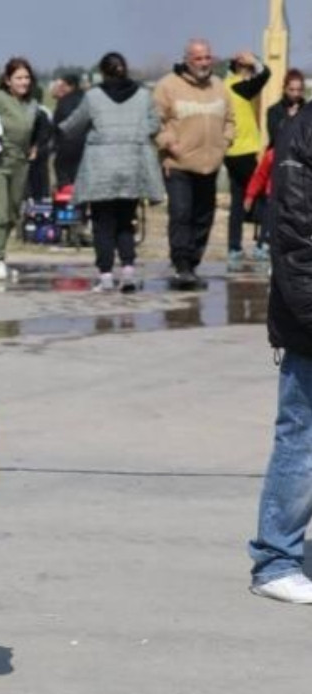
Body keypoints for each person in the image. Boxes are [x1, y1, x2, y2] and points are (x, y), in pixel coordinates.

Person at [248, 100, 312, 604]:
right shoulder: (304, 132)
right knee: (302, 441)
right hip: (309, 320)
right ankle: (275, 560)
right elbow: (293, 240)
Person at [59, 52, 165, 293]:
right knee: (126, 222)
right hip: (132, 166)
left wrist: (60, 130)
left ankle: (105, 275)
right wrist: (135, 134)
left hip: (101, 170)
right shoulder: (143, 95)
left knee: (102, 224)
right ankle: (128, 272)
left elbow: (75, 124)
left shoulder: (94, 96)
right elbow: (154, 124)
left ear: (103, 72)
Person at [153, 39, 234, 290]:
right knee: (181, 214)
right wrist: (169, 143)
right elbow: (154, 122)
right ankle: (181, 265)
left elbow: (230, 120)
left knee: (203, 218)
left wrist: (225, 142)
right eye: (198, 58)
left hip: (209, 165)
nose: (204, 63)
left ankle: (193, 263)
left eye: (208, 57)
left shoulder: (219, 87)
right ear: (187, 60)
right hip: (178, 164)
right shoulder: (168, 86)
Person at [0, 57, 39, 281]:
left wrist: (36, 145)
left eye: (27, 77)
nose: (24, 82)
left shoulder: (32, 104)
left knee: (12, 214)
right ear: (8, 80)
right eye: (19, 78)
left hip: (19, 164)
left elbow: (38, 129)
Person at [223, 51, 271, 268]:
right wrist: (255, 61)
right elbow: (265, 74)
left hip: (231, 152)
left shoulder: (226, 86)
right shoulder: (237, 87)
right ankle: (264, 243)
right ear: (242, 69)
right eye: (249, 70)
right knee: (264, 195)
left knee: (238, 199)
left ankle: (234, 247)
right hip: (243, 151)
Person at [51, 74, 85, 187]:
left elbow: (56, 127)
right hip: (85, 148)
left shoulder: (63, 102)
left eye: (63, 86)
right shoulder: (87, 99)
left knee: (64, 184)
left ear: (70, 86)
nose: (61, 88)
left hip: (65, 149)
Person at [266, 68, 306, 148]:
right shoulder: (274, 110)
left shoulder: (307, 109)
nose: (296, 94)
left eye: (299, 90)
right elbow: (275, 136)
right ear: (285, 89)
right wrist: (288, 119)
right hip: (282, 156)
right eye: (292, 90)